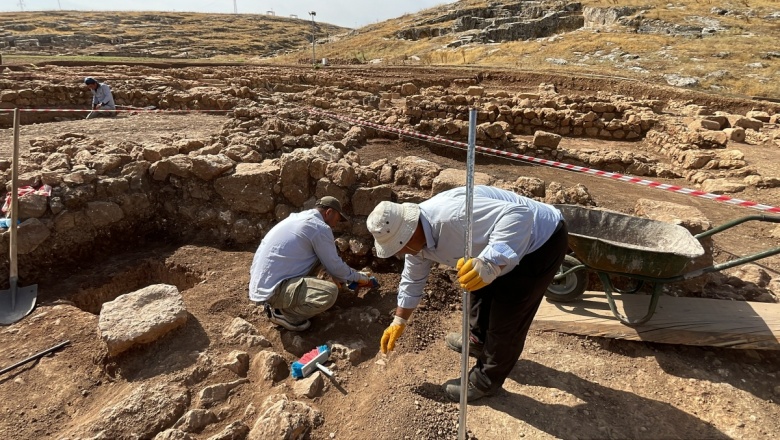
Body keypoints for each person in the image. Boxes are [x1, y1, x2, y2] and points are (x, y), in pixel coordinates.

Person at [366, 185, 568, 402]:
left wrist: (490, 262)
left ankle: (485, 380)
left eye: (400, 246)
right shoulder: (415, 243)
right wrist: (399, 320)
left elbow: (520, 215)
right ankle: (478, 342)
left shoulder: (454, 217)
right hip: (491, 243)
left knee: (507, 318)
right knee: (478, 293)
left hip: (539, 241)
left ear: (409, 230)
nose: (400, 252)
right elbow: (412, 280)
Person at [249, 196, 376, 331]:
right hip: (274, 291)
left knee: (323, 255)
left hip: (263, 282)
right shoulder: (319, 227)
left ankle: (288, 301)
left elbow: (330, 261)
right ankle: (285, 314)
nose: (335, 224)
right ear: (328, 213)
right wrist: (360, 278)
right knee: (329, 293)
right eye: (337, 219)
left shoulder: (298, 218)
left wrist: (346, 277)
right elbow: (335, 266)